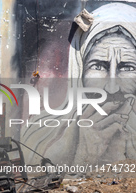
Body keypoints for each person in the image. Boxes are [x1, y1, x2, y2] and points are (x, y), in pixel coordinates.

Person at [20, 2, 136, 166]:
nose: (112, 88)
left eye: (127, 68)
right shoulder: (39, 133)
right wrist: (80, 151)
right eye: (98, 66)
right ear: (80, 69)